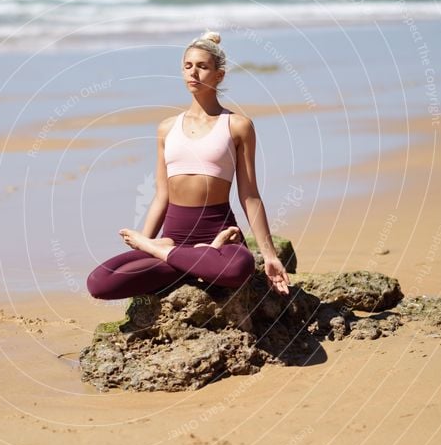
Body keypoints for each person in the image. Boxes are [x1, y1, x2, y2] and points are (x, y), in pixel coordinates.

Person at [86, 31, 290, 300]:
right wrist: (143, 247)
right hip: (173, 238)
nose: (193, 73)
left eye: (203, 67)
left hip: (220, 235)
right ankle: (195, 259)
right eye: (188, 66)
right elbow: (162, 196)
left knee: (240, 267)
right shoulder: (167, 128)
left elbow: (249, 195)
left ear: (219, 75)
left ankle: (187, 256)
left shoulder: (237, 126)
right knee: (100, 282)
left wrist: (270, 255)